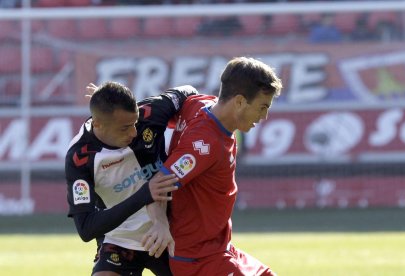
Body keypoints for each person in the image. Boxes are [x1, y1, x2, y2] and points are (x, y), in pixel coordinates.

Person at [150, 57, 283, 275]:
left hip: (221, 248)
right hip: (200, 259)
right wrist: (160, 224)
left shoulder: (200, 104)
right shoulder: (204, 145)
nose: (264, 116)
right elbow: (158, 183)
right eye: (262, 107)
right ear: (239, 101)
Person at [65, 81, 198, 276]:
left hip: (168, 232)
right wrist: (145, 194)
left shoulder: (150, 113)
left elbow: (188, 91)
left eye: (135, 124)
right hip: (118, 240)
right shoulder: (80, 157)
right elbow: (86, 228)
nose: (134, 132)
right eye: (125, 128)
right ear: (98, 124)